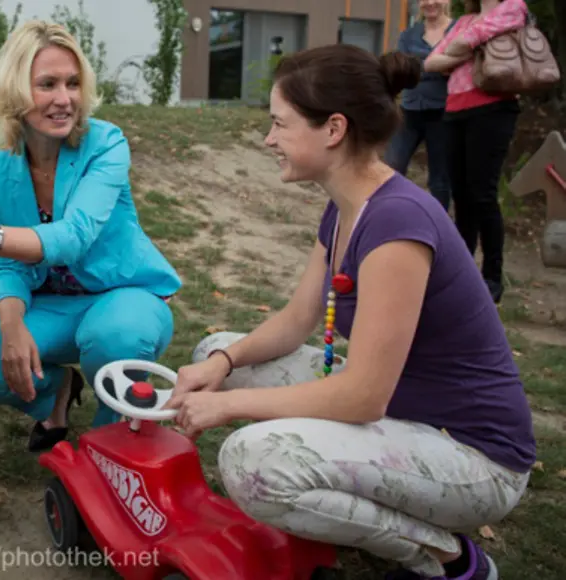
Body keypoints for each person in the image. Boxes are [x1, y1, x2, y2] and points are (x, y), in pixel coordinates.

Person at [165, 44, 535, 580]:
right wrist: (222, 365)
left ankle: (449, 560)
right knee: (215, 352)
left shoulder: (397, 224)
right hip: (404, 414)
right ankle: (335, 505)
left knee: (252, 461)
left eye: (280, 124)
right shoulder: (347, 208)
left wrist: (230, 407)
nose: (269, 139)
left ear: (333, 129)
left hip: (472, 457)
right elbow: (297, 320)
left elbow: (363, 396)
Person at [0, 20, 182, 452]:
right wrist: (11, 324)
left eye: (73, 83)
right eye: (47, 84)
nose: (64, 98)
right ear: (16, 90)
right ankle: (55, 393)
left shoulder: (106, 144)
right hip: (48, 304)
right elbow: (8, 264)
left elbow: (73, 237)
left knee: (116, 336)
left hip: (122, 296)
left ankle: (108, 438)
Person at [424, 0, 529, 303]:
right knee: (461, 196)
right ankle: (462, 271)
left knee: (483, 193)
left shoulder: (513, 7)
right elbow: (430, 62)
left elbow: (462, 43)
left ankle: (492, 276)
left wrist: (457, 53)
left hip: (493, 109)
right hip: (455, 111)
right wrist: (468, 49)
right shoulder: (463, 20)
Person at [384, 0, 454, 210]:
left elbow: (463, 67)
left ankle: (438, 223)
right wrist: (440, 64)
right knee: (391, 168)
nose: (430, 3)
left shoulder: (459, 30)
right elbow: (402, 71)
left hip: (444, 113)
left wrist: (419, 66)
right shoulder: (408, 35)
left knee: (440, 180)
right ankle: (388, 213)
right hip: (410, 111)